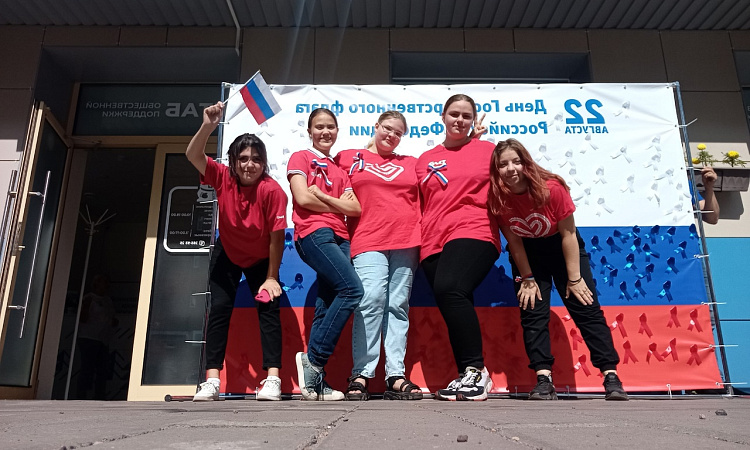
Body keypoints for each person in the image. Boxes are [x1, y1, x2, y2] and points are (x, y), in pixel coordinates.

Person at [487, 138, 628, 401]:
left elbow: (569, 234)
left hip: (562, 248)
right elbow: (514, 242)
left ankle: (611, 376)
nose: (511, 169)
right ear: (497, 169)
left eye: (516, 162)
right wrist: (527, 277)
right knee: (532, 313)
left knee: (586, 308)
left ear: (526, 163)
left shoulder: (551, 189)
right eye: (503, 164)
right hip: (528, 253)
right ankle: (543, 379)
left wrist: (574, 279)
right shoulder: (498, 197)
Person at [187, 102, 287, 402]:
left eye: (256, 159)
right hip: (228, 252)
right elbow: (192, 155)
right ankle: (212, 381)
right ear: (233, 161)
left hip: (261, 257)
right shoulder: (222, 177)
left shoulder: (272, 191)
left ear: (264, 163)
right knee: (219, 310)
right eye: (243, 158)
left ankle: (273, 379)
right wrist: (208, 126)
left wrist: (271, 278)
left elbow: (277, 238)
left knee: (268, 310)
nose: (249, 165)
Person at [416, 94, 500, 401]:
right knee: (452, 300)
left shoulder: (488, 151)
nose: (460, 120)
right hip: (432, 239)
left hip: (474, 228)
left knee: (450, 288)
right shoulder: (425, 158)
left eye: (466, 115)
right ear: (443, 116)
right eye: (454, 114)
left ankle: (476, 371)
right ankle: (467, 374)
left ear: (473, 120)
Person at [334, 111, 423, 401]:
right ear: (376, 126)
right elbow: (328, 184)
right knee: (370, 300)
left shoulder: (411, 163)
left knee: (398, 306)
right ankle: (361, 374)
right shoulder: (348, 158)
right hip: (367, 238)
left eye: (398, 133)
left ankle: (395, 375)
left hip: (407, 240)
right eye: (387, 128)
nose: (391, 135)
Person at [287, 108, 364, 401]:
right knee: (352, 290)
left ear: (337, 131)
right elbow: (302, 197)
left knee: (327, 303)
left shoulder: (341, 170)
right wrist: (335, 204)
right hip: (314, 233)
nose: (325, 132)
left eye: (330, 126)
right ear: (310, 131)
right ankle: (314, 359)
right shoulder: (301, 158)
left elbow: (354, 209)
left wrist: (322, 196)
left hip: (342, 237)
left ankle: (315, 383)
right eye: (319, 127)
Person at [76, 274, 117, 400]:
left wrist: (112, 322)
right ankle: (81, 396)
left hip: (103, 339)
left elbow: (112, 318)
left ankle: (99, 396)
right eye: (103, 282)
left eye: (107, 283)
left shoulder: (108, 301)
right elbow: (82, 318)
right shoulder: (88, 298)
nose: (105, 285)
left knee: (102, 370)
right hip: (88, 337)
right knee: (87, 368)